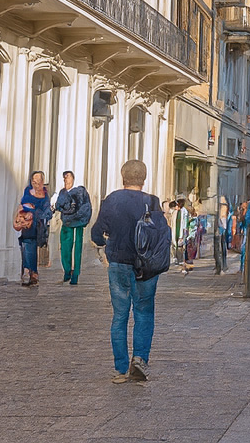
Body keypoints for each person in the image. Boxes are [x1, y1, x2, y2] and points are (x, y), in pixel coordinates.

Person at [89, 159, 168, 384]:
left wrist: (105, 243)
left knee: (120, 315)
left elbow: (96, 233)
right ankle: (140, 359)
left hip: (119, 264)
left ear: (123, 176)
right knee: (144, 313)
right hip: (147, 268)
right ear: (144, 179)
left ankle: (120, 369)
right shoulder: (152, 202)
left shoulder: (112, 200)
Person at [52, 171, 92, 285]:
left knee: (77, 248)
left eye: (68, 177)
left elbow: (85, 206)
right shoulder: (62, 192)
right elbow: (59, 206)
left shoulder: (80, 191)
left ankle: (75, 275)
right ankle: (67, 271)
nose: (66, 179)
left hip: (77, 223)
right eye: (64, 177)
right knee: (65, 247)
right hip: (67, 223)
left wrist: (81, 217)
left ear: (73, 178)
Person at [16, 171, 51, 286]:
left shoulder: (45, 196)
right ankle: (30, 272)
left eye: (39, 182)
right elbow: (22, 204)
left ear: (42, 182)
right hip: (26, 225)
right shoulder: (27, 191)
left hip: (37, 227)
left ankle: (31, 272)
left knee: (30, 248)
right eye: (34, 182)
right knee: (26, 246)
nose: (36, 185)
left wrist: (33, 212)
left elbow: (47, 212)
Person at [213, 196, 232, 274]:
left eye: (224, 205)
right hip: (219, 230)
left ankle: (222, 266)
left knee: (222, 249)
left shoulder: (228, 217)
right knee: (218, 249)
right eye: (221, 205)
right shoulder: (218, 218)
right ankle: (219, 267)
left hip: (223, 232)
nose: (223, 207)